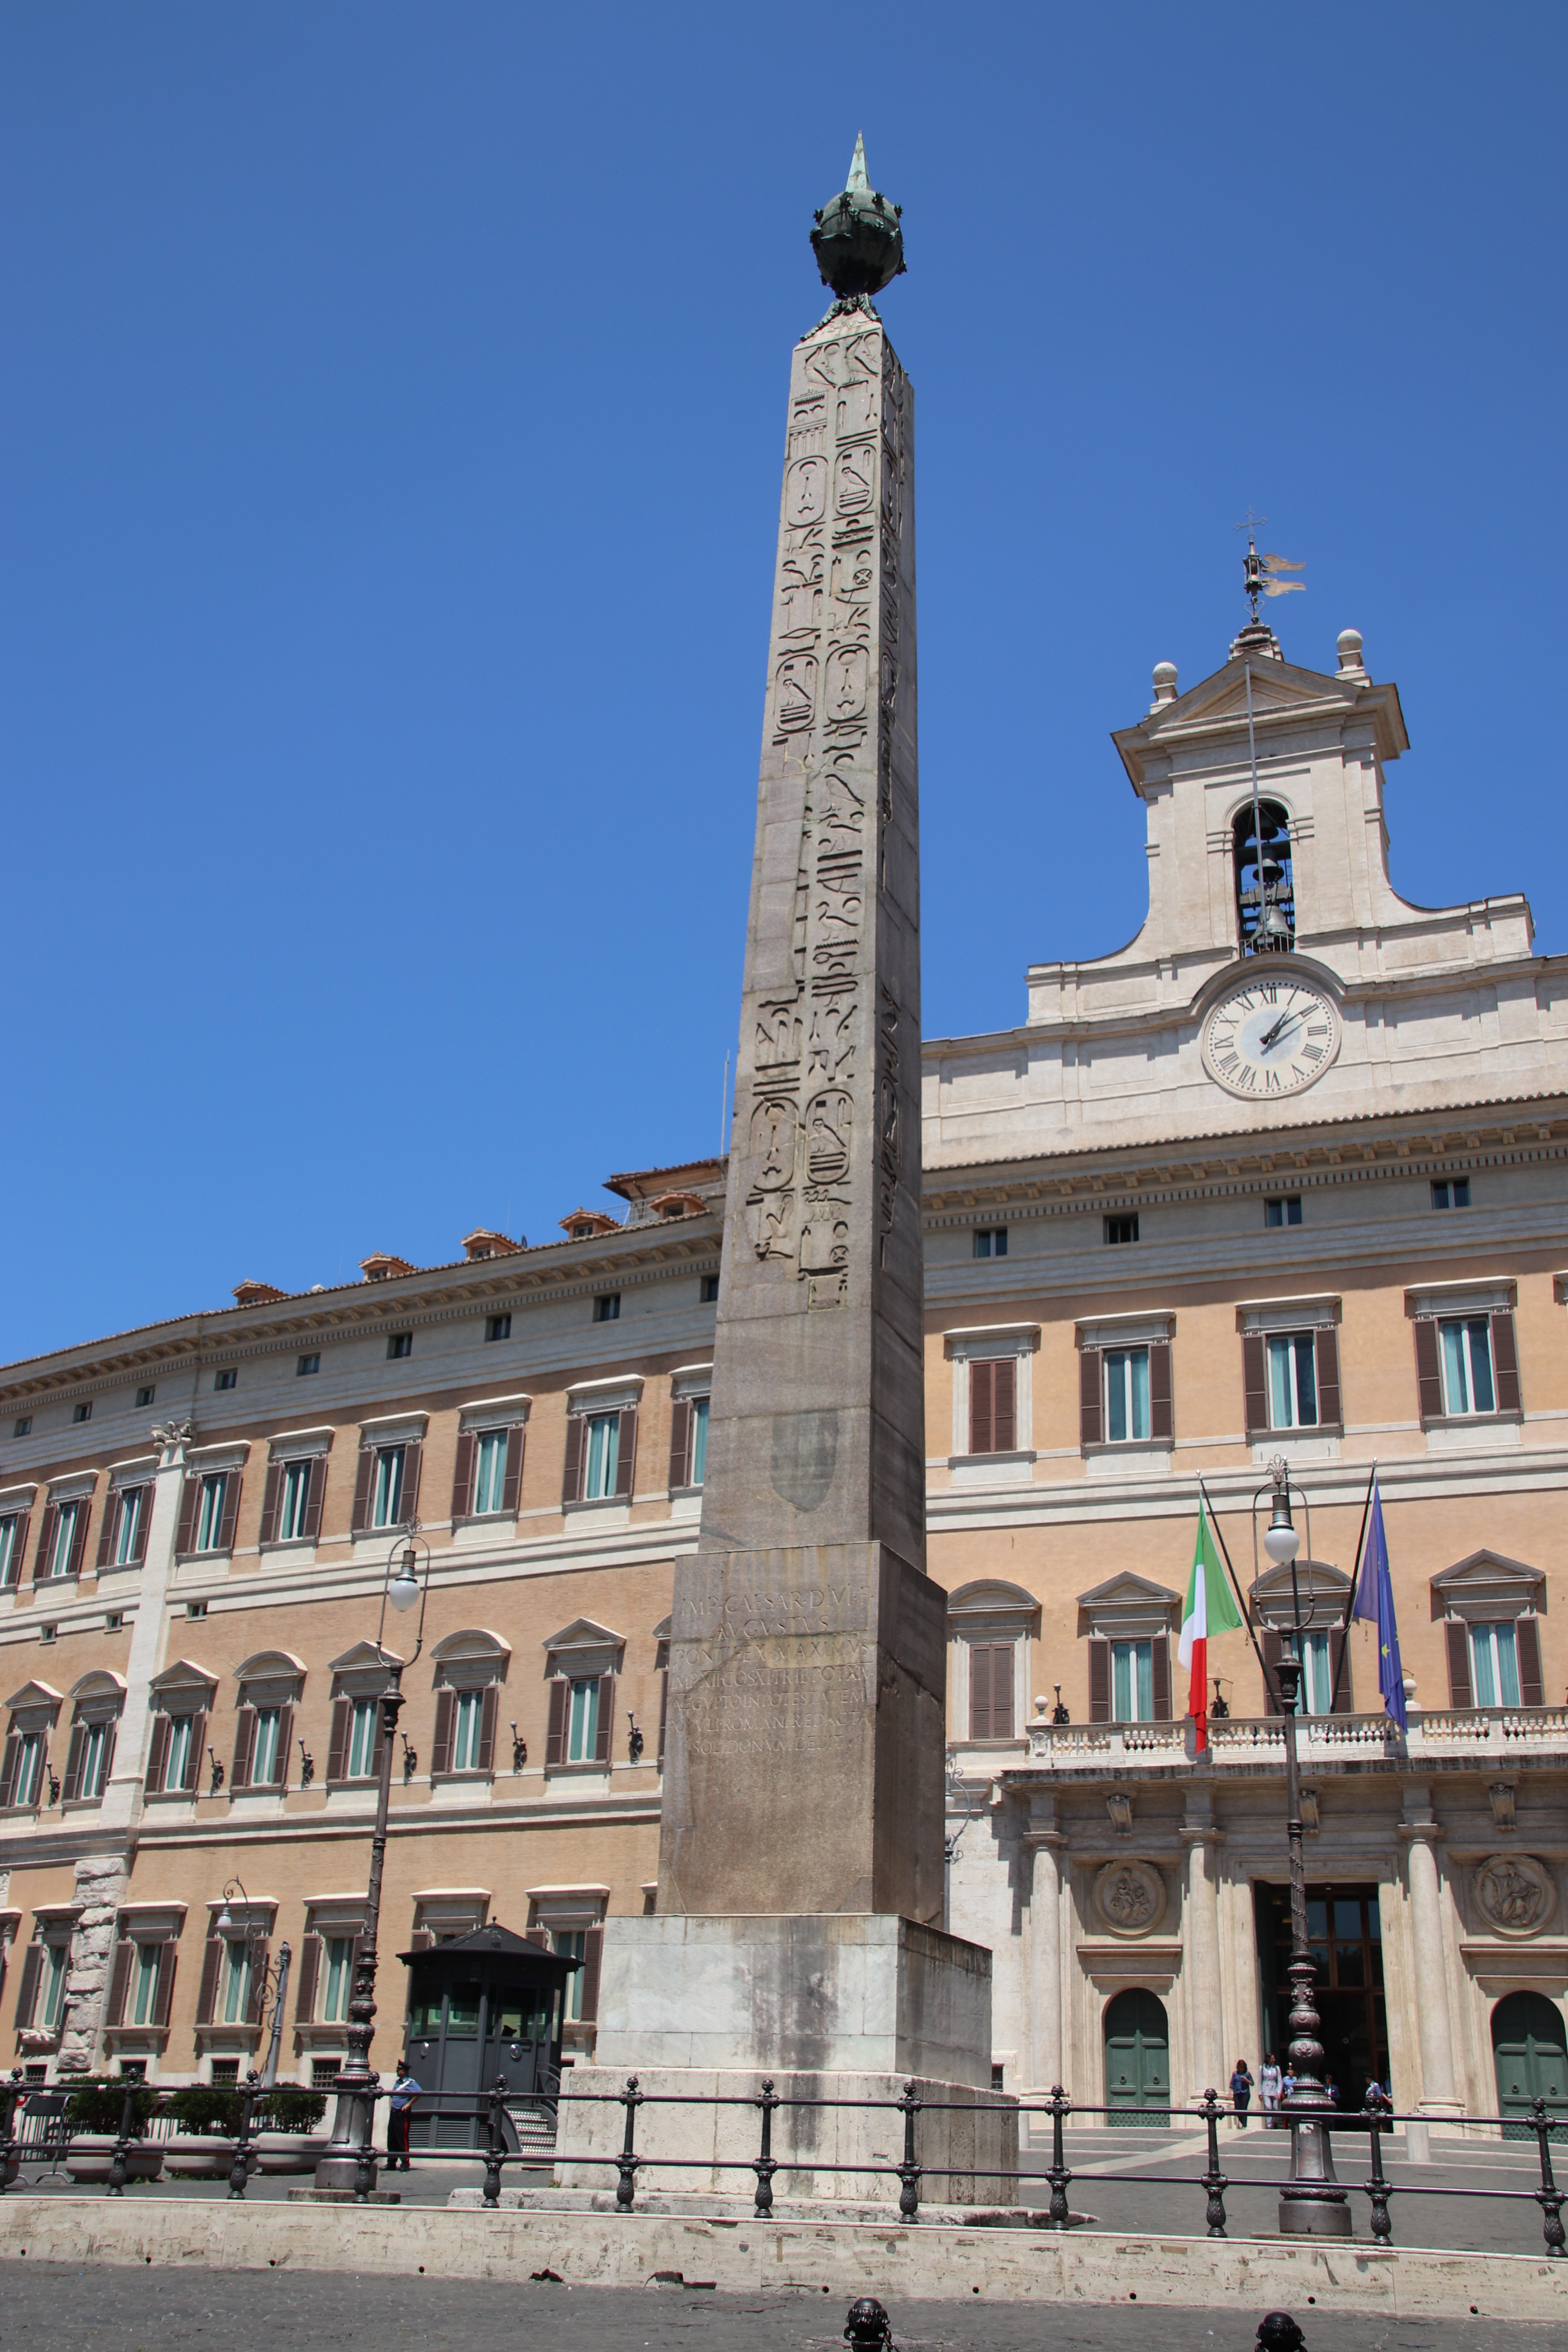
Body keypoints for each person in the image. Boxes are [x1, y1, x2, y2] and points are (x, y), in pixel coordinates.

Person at [387, 2060, 421, 2171]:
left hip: (402, 2114)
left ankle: (405, 2163)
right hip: (394, 2112)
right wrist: (390, 2104)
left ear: (404, 2071)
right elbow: (392, 2095)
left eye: (399, 2070)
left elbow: (419, 2093)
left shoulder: (410, 2082)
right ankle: (391, 2162)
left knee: (402, 2138)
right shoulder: (398, 2083)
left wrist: (409, 2104)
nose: (397, 2071)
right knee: (392, 2138)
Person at [1259, 2051, 1282, 2129]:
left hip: (1274, 2089)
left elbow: (1280, 2080)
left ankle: (1275, 2121)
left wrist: (1279, 2092)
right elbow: (1260, 2080)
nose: (1274, 2060)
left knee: (1275, 2107)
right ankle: (1269, 2124)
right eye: (1272, 2059)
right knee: (1268, 2107)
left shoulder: (1277, 2068)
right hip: (1266, 2089)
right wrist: (1260, 2093)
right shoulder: (1262, 2068)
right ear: (1268, 2059)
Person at [1230, 2057, 1254, 2127]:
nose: (1242, 2069)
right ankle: (1241, 2121)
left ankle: (1244, 2125)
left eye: (1243, 2067)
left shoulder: (1247, 2074)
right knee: (1238, 2108)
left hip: (1245, 2093)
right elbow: (1232, 2084)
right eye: (1240, 2067)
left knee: (1244, 2109)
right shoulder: (1235, 2074)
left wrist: (1246, 2080)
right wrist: (1230, 2093)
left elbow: (1252, 2083)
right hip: (1237, 2092)